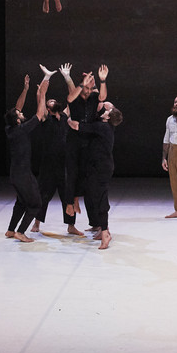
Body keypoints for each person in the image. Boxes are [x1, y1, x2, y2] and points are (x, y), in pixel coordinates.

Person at [4, 65, 51, 242]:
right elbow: (39, 114)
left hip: (15, 174)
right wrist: (43, 92)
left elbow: (15, 108)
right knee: (35, 204)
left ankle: (10, 230)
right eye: (20, 114)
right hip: (23, 175)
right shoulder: (22, 130)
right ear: (18, 120)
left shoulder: (10, 128)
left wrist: (25, 89)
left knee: (21, 202)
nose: (22, 113)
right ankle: (21, 232)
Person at [61, 63, 109, 232]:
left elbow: (102, 96)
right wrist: (81, 84)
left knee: (87, 178)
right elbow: (69, 97)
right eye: (86, 89)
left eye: (90, 89)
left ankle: (91, 217)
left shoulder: (94, 96)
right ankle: (70, 207)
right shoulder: (75, 97)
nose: (88, 92)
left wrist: (102, 81)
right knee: (71, 175)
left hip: (88, 141)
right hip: (74, 141)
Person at [72, 102, 123, 249]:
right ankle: (102, 227)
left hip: (101, 168)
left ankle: (105, 232)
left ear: (108, 116)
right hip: (98, 167)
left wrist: (67, 116)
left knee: (100, 198)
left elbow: (76, 125)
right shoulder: (105, 125)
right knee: (96, 196)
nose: (103, 109)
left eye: (106, 110)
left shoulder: (102, 126)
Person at [30, 94, 83, 236]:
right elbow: (40, 102)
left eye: (53, 100)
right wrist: (42, 92)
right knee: (44, 195)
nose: (52, 101)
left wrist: (70, 82)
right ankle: (36, 222)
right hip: (48, 165)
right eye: (50, 101)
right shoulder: (46, 118)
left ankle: (71, 225)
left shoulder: (64, 116)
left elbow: (71, 101)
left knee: (68, 195)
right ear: (47, 108)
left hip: (63, 164)